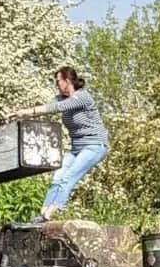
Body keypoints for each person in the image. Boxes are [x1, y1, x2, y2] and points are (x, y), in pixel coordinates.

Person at [11, 65, 109, 221]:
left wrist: (28, 111)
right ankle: (42, 215)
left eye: (58, 81)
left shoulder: (82, 97)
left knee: (68, 177)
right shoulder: (60, 98)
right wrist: (19, 115)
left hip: (95, 145)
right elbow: (49, 106)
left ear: (68, 81)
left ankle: (48, 215)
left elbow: (56, 107)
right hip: (76, 147)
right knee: (57, 178)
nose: (56, 85)